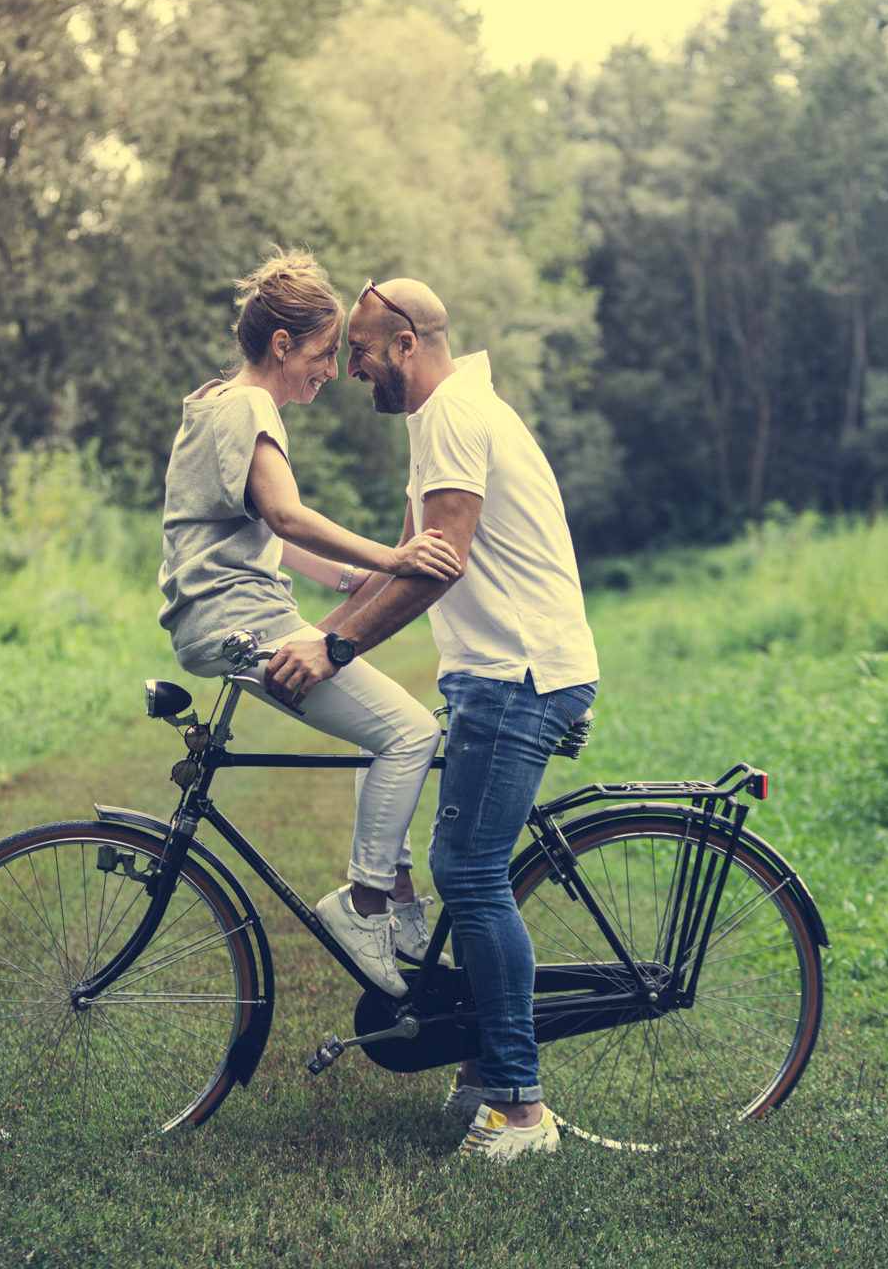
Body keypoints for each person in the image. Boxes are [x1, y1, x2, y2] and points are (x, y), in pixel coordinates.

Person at [266, 277, 599, 1162]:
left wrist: (333, 655)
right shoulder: (444, 417)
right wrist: (317, 636)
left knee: (472, 872)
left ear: (406, 342)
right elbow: (400, 560)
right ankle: (486, 1070)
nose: (351, 368)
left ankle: (520, 1111)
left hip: (514, 675)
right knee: (468, 864)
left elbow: (437, 567)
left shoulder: (453, 412)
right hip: (505, 672)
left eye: (363, 352)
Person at [157, 249, 461, 998]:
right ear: (283, 346)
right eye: (326, 354)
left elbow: (271, 533)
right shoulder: (252, 406)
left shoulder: (214, 401)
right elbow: (289, 513)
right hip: (241, 622)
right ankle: (364, 905)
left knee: (383, 731)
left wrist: (352, 577)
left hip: (224, 617)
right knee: (414, 734)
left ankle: (395, 903)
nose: (332, 371)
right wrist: (396, 561)